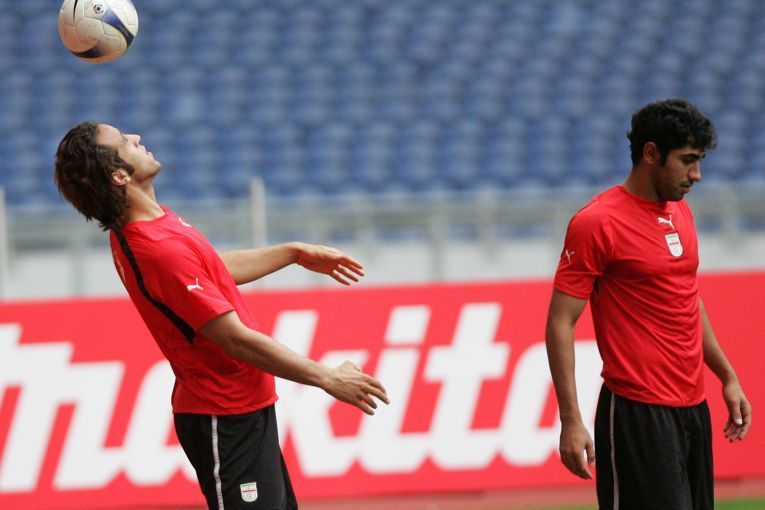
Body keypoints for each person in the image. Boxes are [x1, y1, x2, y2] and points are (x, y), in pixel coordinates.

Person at [53, 121, 389, 510]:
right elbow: (234, 338)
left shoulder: (153, 227)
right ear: (118, 175)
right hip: (223, 416)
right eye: (125, 142)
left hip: (243, 406)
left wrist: (293, 253)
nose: (138, 138)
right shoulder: (158, 249)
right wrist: (326, 377)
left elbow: (208, 270)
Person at [545, 99, 752, 509]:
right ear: (651, 153)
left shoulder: (681, 212)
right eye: (687, 161)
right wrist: (570, 419)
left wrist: (727, 376)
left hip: (693, 409)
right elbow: (560, 322)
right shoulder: (597, 222)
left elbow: (687, 298)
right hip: (637, 414)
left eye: (699, 161)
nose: (697, 174)